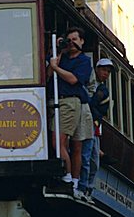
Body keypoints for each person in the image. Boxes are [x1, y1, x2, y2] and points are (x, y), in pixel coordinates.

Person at [48, 27, 92, 189]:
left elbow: (73, 80)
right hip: (55, 101)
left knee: (62, 143)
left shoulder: (84, 61)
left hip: (70, 103)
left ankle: (69, 178)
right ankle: (69, 177)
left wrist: (56, 68)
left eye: (75, 39)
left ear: (82, 41)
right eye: (69, 39)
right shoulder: (62, 57)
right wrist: (57, 52)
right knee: (61, 143)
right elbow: (47, 75)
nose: (72, 43)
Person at [78, 58, 113, 203]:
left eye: (108, 71)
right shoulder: (88, 83)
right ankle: (82, 187)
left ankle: (88, 189)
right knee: (85, 156)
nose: (106, 73)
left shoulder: (103, 91)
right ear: (97, 69)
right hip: (83, 122)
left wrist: (95, 118)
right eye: (104, 70)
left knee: (93, 159)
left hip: (93, 126)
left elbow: (99, 109)